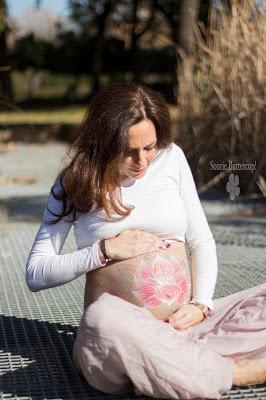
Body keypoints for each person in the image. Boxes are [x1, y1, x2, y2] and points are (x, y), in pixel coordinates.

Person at [26, 82, 266, 399]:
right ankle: (233, 372)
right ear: (104, 143)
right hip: (125, 339)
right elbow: (36, 273)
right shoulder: (75, 181)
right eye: (128, 151)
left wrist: (202, 305)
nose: (142, 161)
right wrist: (103, 251)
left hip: (188, 328)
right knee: (101, 320)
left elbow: (201, 240)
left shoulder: (172, 158)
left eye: (149, 147)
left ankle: (175, 368)